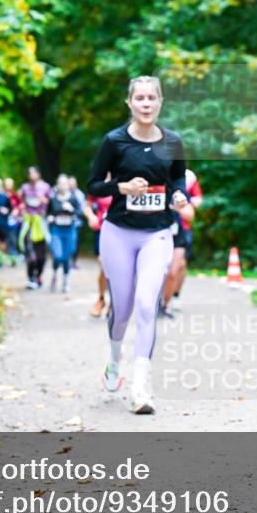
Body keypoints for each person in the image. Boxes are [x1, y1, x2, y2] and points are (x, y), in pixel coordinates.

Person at [87, 75, 188, 414]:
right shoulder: (114, 141)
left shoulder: (173, 141)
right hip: (117, 232)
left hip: (157, 234)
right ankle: (115, 359)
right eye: (139, 98)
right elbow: (93, 185)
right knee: (123, 310)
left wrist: (177, 195)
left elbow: (178, 180)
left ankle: (141, 389)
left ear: (160, 102)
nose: (146, 104)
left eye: (151, 98)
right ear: (129, 103)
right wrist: (122, 187)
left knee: (147, 305)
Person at [161, 168, 203, 317]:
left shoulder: (187, 179)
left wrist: (177, 204)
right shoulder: (156, 176)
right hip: (157, 232)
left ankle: (169, 302)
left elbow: (193, 207)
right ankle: (156, 300)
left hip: (180, 232)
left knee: (177, 269)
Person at [47, 174, 84, 293]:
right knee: (57, 256)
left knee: (67, 256)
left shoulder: (73, 198)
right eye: (60, 183)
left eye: (64, 183)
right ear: (57, 185)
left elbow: (80, 213)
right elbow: (48, 213)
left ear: (68, 185)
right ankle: (54, 275)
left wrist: (71, 209)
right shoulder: (53, 199)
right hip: (56, 230)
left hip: (70, 230)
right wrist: (50, 217)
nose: (62, 186)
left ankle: (65, 280)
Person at [19, 166, 51, 289]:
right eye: (29, 173)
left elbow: (51, 202)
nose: (32, 175)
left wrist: (44, 201)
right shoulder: (24, 188)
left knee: (41, 255)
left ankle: (39, 276)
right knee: (30, 253)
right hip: (29, 223)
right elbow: (21, 202)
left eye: (34, 173)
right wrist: (21, 210)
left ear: (38, 174)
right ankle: (30, 278)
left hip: (41, 222)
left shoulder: (46, 187)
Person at [87, 188, 114, 318]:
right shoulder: (101, 183)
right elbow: (87, 206)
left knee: (118, 269)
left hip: (123, 230)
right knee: (105, 265)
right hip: (102, 230)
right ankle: (101, 298)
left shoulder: (129, 177)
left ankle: (114, 303)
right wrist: (91, 216)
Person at [68, 176, 87, 270]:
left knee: (76, 243)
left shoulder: (80, 195)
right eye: (69, 183)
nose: (71, 185)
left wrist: (72, 211)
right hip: (65, 223)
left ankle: (73, 261)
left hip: (77, 223)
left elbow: (83, 211)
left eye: (73, 183)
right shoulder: (64, 194)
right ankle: (66, 261)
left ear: (76, 184)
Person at [4, 177, 24, 264]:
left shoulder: (14, 195)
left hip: (13, 221)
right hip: (3, 221)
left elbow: (20, 205)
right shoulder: (2, 195)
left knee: (14, 238)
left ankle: (14, 255)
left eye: (10, 184)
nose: (8, 186)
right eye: (7, 184)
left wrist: (17, 210)